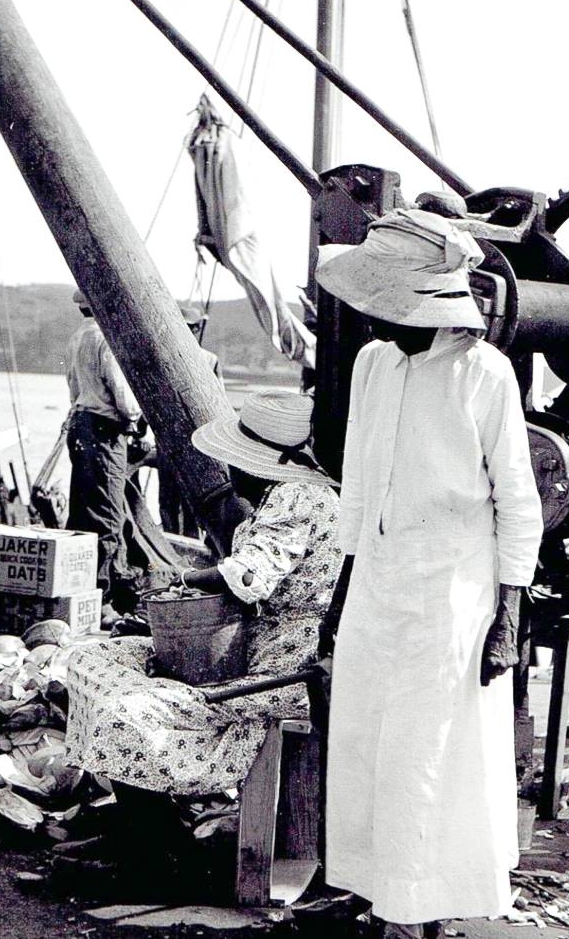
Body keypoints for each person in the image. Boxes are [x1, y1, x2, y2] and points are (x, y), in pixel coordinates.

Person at [316, 209, 543, 937]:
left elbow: (519, 502)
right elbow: (357, 489)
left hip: (453, 586)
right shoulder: (374, 364)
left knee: (428, 747)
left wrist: (507, 620)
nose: (372, 317)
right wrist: (339, 600)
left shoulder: (485, 374)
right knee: (364, 737)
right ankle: (372, 888)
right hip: (378, 578)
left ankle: (423, 910)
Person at [64, 390, 340, 802]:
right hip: (248, 650)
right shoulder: (290, 493)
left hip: (277, 672)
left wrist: (186, 579)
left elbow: (247, 574)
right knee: (93, 657)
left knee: (124, 715)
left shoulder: (297, 496)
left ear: (252, 463)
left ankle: (150, 833)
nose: (228, 470)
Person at [65, 288, 143, 609]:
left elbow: (73, 388)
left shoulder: (76, 339)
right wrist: (135, 419)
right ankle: (108, 598)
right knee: (109, 513)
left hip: (80, 425)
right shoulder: (104, 339)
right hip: (104, 431)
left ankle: (82, 590)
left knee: (83, 509)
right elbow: (123, 396)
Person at [157, 305, 223, 538]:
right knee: (168, 497)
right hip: (170, 440)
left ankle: (189, 541)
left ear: (196, 330)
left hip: (195, 441)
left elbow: (218, 399)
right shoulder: (162, 356)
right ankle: (172, 540)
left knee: (190, 499)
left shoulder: (210, 360)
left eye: (190, 328)